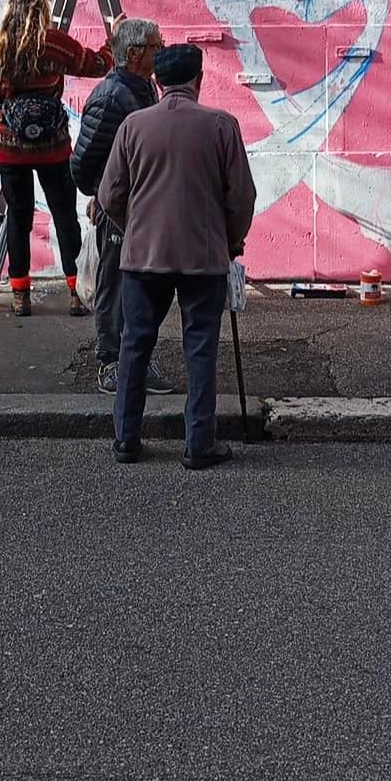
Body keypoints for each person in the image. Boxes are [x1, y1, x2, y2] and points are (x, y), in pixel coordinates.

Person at [98, 42, 257, 470]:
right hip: (203, 256)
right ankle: (198, 444)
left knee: (135, 345)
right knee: (200, 348)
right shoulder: (222, 125)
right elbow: (241, 197)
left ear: (157, 82)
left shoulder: (133, 126)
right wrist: (231, 239)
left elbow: (109, 194)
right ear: (199, 81)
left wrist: (131, 228)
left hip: (142, 256)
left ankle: (125, 439)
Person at [0, 0, 119, 317]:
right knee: (63, 215)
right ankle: (75, 291)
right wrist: (112, 41)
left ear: (12, 6)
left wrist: (11, 119)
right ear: (42, 6)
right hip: (53, 146)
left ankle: (20, 295)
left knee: (18, 217)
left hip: (8, 148)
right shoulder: (55, 43)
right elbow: (96, 64)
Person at [69, 16, 175, 397]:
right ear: (134, 54)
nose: (160, 52)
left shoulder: (142, 89)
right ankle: (110, 362)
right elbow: (83, 160)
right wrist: (99, 195)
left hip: (139, 206)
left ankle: (138, 359)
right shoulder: (112, 96)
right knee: (113, 285)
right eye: (155, 47)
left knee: (142, 284)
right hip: (117, 209)